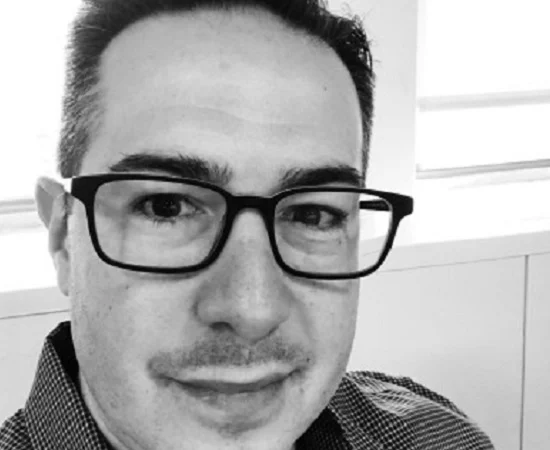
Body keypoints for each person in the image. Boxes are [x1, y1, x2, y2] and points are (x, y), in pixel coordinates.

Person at [0, 0, 494, 449]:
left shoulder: (439, 436)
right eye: (166, 206)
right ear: (63, 236)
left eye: (312, 214)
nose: (252, 309)